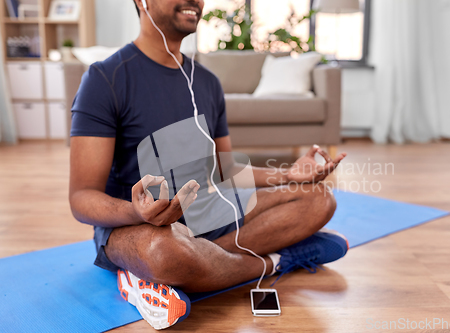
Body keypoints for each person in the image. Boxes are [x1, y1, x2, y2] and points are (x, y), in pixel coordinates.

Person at [69, 0, 348, 329]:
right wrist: (136, 212)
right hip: (139, 228)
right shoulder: (105, 79)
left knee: (319, 198)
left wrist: (287, 174)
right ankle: (279, 259)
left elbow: (224, 170)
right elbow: (81, 197)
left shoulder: (207, 82)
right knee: (164, 254)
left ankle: (189, 266)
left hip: (209, 212)